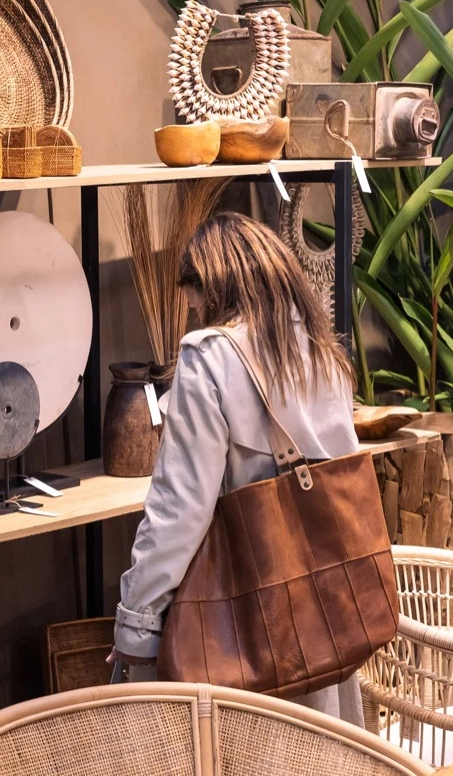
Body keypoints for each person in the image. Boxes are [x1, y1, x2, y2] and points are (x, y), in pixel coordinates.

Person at [109, 211, 364, 725]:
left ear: (217, 288)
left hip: (247, 629)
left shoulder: (209, 360)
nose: (198, 320)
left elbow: (179, 514)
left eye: (198, 307)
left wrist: (135, 628)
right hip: (327, 617)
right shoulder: (320, 351)